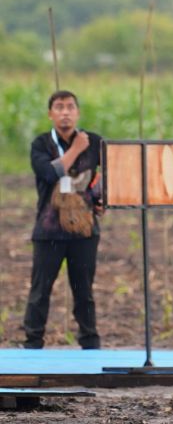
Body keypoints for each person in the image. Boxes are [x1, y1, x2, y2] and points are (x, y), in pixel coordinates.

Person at [22, 90, 105, 350]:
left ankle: (90, 342)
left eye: (70, 107)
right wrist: (76, 148)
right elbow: (49, 174)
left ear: (78, 112)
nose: (65, 112)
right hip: (49, 232)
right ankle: (33, 342)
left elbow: (113, 172)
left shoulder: (95, 141)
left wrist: (102, 198)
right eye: (59, 107)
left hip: (84, 231)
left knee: (84, 292)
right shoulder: (41, 144)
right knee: (40, 291)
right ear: (51, 114)